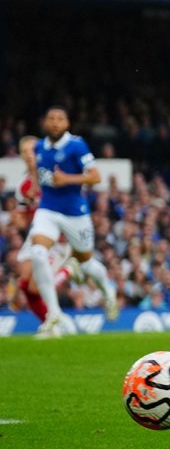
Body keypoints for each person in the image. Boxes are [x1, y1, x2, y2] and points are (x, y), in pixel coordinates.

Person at [24, 107, 118, 338]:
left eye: (60, 119)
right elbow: (40, 174)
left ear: (67, 123)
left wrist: (67, 179)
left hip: (75, 213)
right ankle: (53, 314)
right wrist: (34, 187)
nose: (55, 123)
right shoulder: (39, 147)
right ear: (45, 123)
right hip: (48, 210)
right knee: (37, 253)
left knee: (86, 264)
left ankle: (108, 292)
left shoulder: (77, 145)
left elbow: (95, 177)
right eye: (51, 119)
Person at [14, 134, 81, 325]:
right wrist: (18, 219)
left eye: (33, 150)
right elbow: (24, 220)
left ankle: (68, 269)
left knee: (35, 288)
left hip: (57, 238)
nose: (29, 155)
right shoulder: (23, 186)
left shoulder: (55, 175)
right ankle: (49, 324)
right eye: (25, 151)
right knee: (24, 285)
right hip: (36, 235)